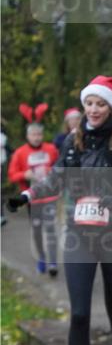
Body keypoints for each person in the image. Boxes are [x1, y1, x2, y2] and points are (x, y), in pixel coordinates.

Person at [7, 76, 112, 345]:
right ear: (84, 106)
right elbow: (56, 177)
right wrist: (27, 195)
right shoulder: (73, 140)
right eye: (89, 103)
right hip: (80, 235)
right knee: (79, 313)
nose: (94, 110)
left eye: (100, 104)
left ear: (110, 106)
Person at [9, 112, 60, 276]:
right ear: (28, 136)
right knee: (37, 230)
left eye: (39, 134)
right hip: (33, 199)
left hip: (50, 197)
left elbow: (61, 167)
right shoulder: (20, 153)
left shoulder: (51, 149)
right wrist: (25, 175)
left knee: (51, 228)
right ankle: (42, 257)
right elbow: (12, 174)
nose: (37, 137)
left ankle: (53, 262)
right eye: (33, 134)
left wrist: (50, 171)